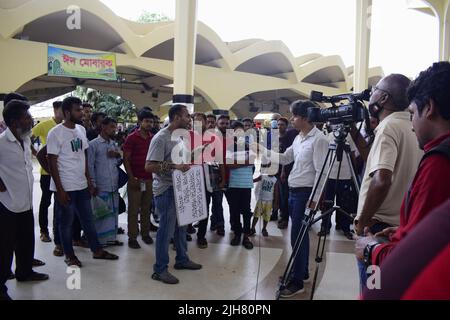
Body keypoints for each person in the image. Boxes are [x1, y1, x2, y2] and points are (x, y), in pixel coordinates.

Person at [356, 62, 450, 275]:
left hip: (380, 234)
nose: (411, 123)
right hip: (396, 230)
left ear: (429, 108)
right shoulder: (434, 150)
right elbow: (435, 228)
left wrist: (367, 240)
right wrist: (407, 229)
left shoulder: (438, 161)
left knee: (374, 288)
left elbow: (382, 179)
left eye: (413, 113)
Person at [353, 74, 423, 290]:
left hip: (378, 230)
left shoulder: (388, 127)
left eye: (375, 89)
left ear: (383, 98)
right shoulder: (412, 125)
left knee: (373, 289)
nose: (371, 94)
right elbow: (373, 161)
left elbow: (382, 180)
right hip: (402, 226)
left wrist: (362, 221)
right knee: (387, 290)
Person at [258, 100, 329, 297]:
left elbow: (321, 172)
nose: (291, 119)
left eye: (294, 116)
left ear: (305, 118)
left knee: (298, 236)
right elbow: (286, 158)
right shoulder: (299, 137)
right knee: (298, 235)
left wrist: (314, 199)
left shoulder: (319, 139)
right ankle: (302, 272)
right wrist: (263, 150)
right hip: (293, 191)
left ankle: (297, 281)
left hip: (305, 194)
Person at [47, 97, 118, 267]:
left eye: (81, 109)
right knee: (66, 223)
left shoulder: (80, 129)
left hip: (82, 185)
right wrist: (60, 190)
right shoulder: (55, 133)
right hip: (66, 186)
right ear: (66, 112)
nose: (82, 113)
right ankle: (69, 256)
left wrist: (89, 181)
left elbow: (84, 157)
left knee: (88, 220)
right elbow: (51, 162)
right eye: (77, 110)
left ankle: (97, 250)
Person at [145, 104, 202, 285]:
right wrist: (174, 167)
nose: (189, 119)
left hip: (180, 187)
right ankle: (160, 270)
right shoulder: (161, 138)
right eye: (187, 116)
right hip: (166, 189)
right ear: (177, 117)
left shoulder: (180, 137)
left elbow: (179, 160)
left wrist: (194, 155)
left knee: (182, 227)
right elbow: (150, 166)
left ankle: (182, 259)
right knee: (166, 230)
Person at [0, 100, 49, 301]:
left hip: (26, 200)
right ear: (14, 121)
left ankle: (24, 272)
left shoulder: (25, 138)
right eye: (26, 117)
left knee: (26, 241)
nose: (31, 120)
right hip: (7, 203)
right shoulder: (1, 142)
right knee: (4, 247)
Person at [362, 199, 450, 300]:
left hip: (377, 237)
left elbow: (416, 256)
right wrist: (403, 228)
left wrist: (371, 247)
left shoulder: (430, 184)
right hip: (387, 238)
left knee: (373, 283)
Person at [31, 101, 64, 243]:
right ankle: (44, 231)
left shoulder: (65, 126)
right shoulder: (44, 125)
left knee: (60, 203)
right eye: (62, 110)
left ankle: (59, 233)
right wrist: (35, 152)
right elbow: (28, 137)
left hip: (62, 172)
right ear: (56, 110)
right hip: (47, 172)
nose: (64, 113)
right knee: (45, 202)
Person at [122, 109, 155, 249]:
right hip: (136, 179)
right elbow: (126, 159)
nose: (149, 124)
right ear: (140, 122)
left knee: (147, 208)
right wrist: (131, 177)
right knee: (134, 210)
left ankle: (145, 234)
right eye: (147, 121)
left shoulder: (153, 138)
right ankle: (132, 237)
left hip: (149, 179)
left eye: (151, 122)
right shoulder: (131, 138)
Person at [88, 117, 123, 246]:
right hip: (101, 184)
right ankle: (100, 241)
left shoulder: (113, 144)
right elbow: (90, 165)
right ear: (103, 127)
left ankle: (111, 238)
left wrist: (118, 155)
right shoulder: (94, 144)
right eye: (112, 127)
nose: (114, 129)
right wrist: (92, 183)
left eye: (115, 127)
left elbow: (118, 162)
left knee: (113, 213)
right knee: (102, 214)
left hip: (113, 184)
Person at [318, 127, 358, 240]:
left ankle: (344, 227)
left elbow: (353, 154)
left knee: (345, 204)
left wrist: (353, 171)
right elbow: (324, 155)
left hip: (345, 175)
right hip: (330, 174)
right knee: (327, 203)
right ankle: (325, 227)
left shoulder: (348, 136)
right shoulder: (329, 137)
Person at [225, 121, 255, 250]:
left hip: (246, 184)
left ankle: (246, 236)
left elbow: (252, 162)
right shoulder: (229, 147)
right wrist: (245, 162)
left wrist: (237, 162)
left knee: (246, 211)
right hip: (233, 184)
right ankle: (237, 234)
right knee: (234, 211)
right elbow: (229, 165)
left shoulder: (250, 146)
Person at [208, 114, 229, 236]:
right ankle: (214, 222)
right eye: (222, 123)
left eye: (226, 123)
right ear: (217, 124)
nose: (224, 126)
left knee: (218, 202)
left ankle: (219, 224)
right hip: (213, 173)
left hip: (227, 173)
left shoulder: (232, 138)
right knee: (213, 201)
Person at [277, 118, 298, 229]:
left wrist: (283, 171)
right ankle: (283, 216)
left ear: (286, 126)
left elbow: (286, 155)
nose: (280, 126)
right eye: (278, 124)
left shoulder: (290, 136)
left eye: (282, 125)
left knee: (287, 195)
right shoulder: (276, 137)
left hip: (288, 169)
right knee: (282, 195)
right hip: (278, 169)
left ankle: (288, 217)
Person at [249, 164, 278, 237]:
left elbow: (276, 192)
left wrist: (275, 203)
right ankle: (252, 228)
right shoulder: (263, 176)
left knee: (266, 216)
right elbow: (254, 180)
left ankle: (264, 229)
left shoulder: (275, 180)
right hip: (261, 200)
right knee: (256, 215)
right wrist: (248, 182)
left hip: (269, 201)